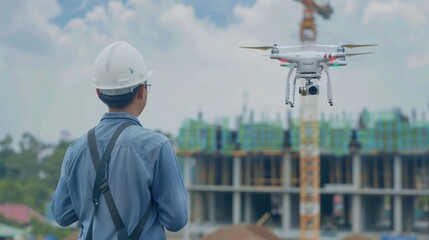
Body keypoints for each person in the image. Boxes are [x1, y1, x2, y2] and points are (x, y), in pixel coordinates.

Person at [51, 41, 188, 239]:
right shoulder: (157, 147)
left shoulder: (76, 149)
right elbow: (176, 220)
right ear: (142, 90)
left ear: (98, 91)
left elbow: (62, 215)